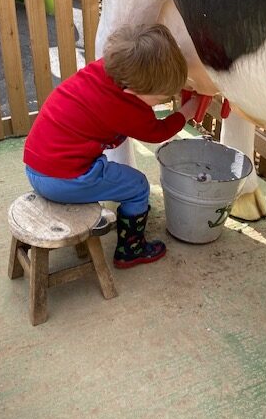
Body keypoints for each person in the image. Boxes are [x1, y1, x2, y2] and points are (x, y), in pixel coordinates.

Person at [23, 23, 199, 269]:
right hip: (63, 180)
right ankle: (131, 250)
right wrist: (185, 113)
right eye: (160, 98)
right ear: (132, 90)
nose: (166, 100)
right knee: (137, 186)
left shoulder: (103, 71)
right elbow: (157, 133)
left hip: (36, 166)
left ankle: (118, 214)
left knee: (111, 171)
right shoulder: (125, 107)